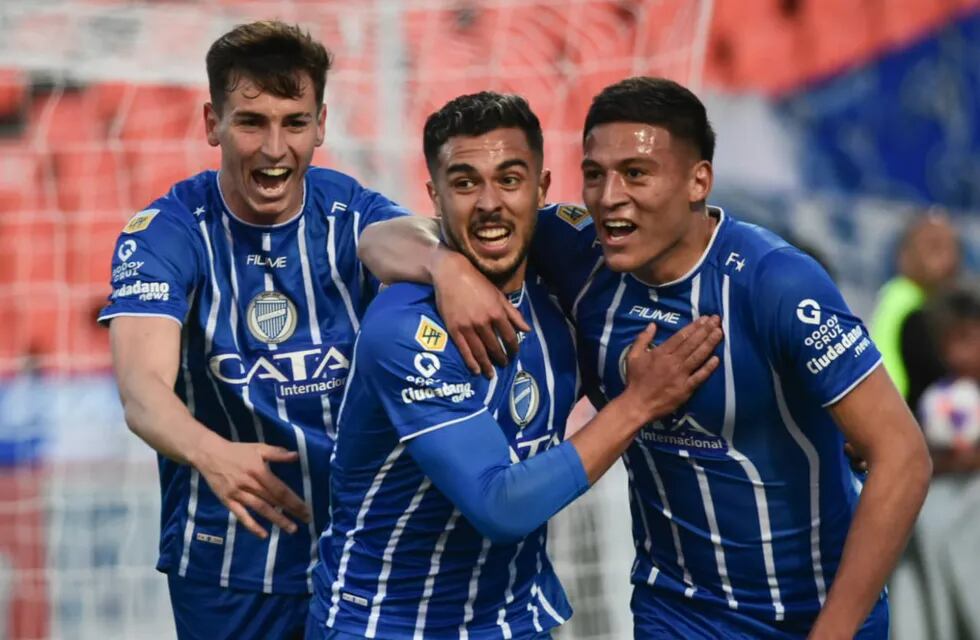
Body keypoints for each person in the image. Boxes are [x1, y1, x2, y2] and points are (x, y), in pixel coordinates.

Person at [360, 77, 932, 638]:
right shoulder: (580, 253)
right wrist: (446, 267)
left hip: (813, 612)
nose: (610, 198)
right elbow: (378, 239)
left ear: (697, 180)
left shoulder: (775, 283)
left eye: (635, 174)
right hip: (674, 611)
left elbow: (903, 457)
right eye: (595, 175)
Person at [307, 92, 722, 639]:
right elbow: (498, 505)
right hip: (388, 625)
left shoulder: (561, 287)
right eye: (464, 183)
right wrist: (639, 404)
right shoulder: (403, 330)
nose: (488, 203)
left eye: (509, 179)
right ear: (434, 196)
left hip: (514, 621)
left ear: (542, 190)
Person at [99, 21, 416, 639]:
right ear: (212, 124)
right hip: (227, 561)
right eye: (251, 122)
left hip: (357, 558)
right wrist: (213, 454)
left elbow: (412, 245)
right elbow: (142, 392)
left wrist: (445, 269)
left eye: (294, 122)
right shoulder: (168, 231)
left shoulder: (353, 212)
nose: (275, 148)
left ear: (320, 124)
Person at [870, 211, 960, 405]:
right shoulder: (902, 302)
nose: (946, 258)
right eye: (933, 247)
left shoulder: (942, 305)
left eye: (951, 247)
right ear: (904, 256)